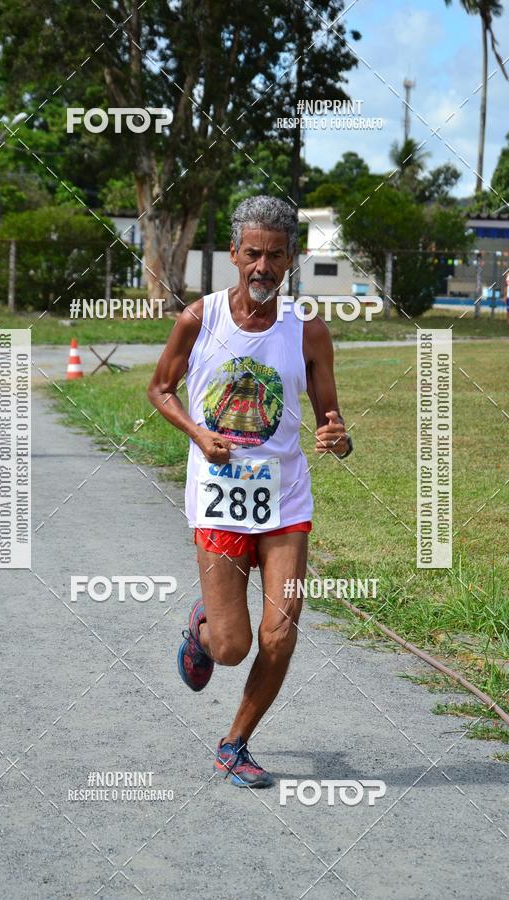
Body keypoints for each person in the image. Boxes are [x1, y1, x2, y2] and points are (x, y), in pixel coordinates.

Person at [148, 196, 352, 788]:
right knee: (233, 647)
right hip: (219, 499)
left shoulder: (308, 329)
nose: (264, 266)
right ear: (235, 254)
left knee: (281, 630)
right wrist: (198, 433)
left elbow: (332, 417)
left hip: (285, 500)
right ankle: (202, 629)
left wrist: (338, 437)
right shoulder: (199, 319)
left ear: (292, 258)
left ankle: (234, 743)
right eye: (253, 254)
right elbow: (160, 389)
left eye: (276, 255)